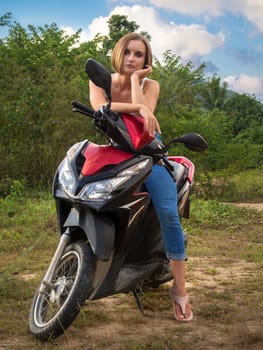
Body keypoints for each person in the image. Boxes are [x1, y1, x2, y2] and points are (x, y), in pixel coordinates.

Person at [89, 32, 193, 322]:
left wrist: (135, 84)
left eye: (139, 55)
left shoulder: (152, 84)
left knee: (169, 214)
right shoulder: (101, 79)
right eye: (128, 53)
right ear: (118, 53)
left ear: (147, 62)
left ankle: (180, 289)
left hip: (148, 156)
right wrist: (136, 106)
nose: (132, 59)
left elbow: (145, 125)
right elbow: (100, 108)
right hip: (116, 154)